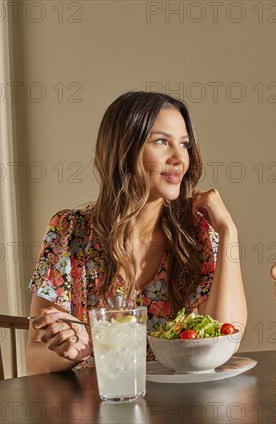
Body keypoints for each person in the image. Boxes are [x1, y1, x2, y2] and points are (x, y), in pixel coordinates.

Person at [26, 91, 247, 374]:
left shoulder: (198, 233)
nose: (179, 157)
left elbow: (227, 337)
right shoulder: (69, 232)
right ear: (123, 150)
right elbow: (34, 358)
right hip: (101, 405)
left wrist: (229, 232)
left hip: (183, 408)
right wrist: (71, 352)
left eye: (184, 144)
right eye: (161, 142)